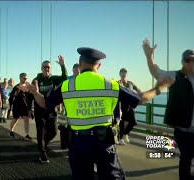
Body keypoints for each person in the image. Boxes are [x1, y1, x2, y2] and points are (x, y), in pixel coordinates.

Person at [26, 47, 174, 180]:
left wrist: (34, 92)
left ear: (80, 63)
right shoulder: (110, 84)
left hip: (78, 143)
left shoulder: (67, 86)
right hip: (104, 143)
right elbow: (140, 99)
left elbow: (44, 103)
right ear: (99, 65)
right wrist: (159, 88)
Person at [142, 38, 194, 180]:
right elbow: (156, 72)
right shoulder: (175, 76)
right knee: (186, 158)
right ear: (183, 62)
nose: (191, 62)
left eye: (193, 60)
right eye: (188, 60)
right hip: (183, 130)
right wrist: (149, 56)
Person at [29, 55, 68, 163]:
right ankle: (42, 153)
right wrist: (29, 109)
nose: (46, 69)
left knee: (54, 132)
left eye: (48, 67)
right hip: (39, 109)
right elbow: (31, 94)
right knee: (40, 131)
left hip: (51, 109)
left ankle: (43, 144)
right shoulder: (36, 80)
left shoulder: (54, 79)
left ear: (51, 69)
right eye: (44, 67)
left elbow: (65, 78)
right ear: (41, 68)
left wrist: (62, 65)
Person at [117, 68, 142, 145]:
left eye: (125, 73)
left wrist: (142, 96)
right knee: (121, 123)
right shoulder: (117, 83)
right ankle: (120, 139)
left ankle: (125, 134)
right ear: (120, 74)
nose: (123, 74)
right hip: (121, 106)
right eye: (122, 73)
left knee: (133, 122)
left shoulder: (130, 83)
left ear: (127, 75)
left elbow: (138, 90)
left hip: (130, 107)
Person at [8, 73, 34, 140]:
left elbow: (32, 95)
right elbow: (12, 96)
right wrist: (19, 90)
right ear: (20, 78)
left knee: (26, 120)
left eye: (26, 78)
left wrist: (30, 108)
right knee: (15, 119)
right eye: (24, 78)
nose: (25, 79)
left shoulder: (28, 86)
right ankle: (11, 130)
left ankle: (27, 134)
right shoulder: (17, 87)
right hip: (17, 106)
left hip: (25, 106)